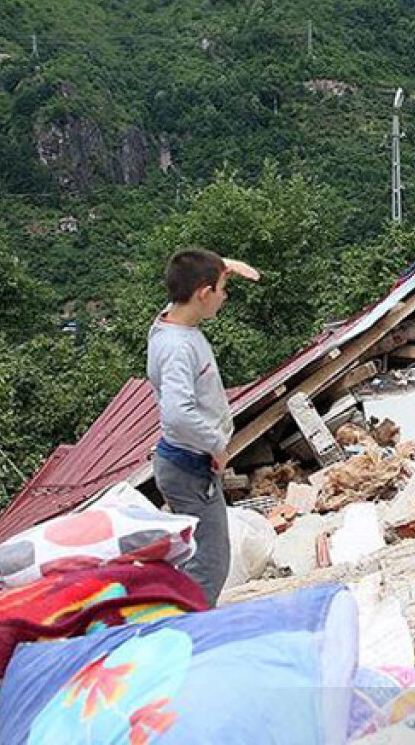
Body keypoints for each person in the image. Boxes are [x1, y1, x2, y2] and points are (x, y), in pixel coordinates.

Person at [147, 248, 257, 605]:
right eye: (222, 291)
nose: (224, 299)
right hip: (190, 466)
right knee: (210, 564)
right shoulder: (179, 347)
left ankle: (182, 618)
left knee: (196, 557)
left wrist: (224, 267)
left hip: (182, 461)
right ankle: (186, 634)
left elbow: (190, 268)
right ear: (203, 294)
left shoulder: (168, 321)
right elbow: (177, 414)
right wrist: (217, 446)